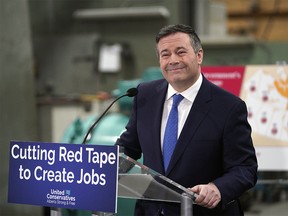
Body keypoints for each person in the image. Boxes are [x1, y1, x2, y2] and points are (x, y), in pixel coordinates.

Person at [116, 24, 258, 215]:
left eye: (180, 52)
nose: (173, 60)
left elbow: (245, 168)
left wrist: (217, 188)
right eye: (165, 54)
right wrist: (101, 166)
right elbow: (128, 147)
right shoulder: (144, 95)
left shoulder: (229, 107)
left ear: (199, 55)